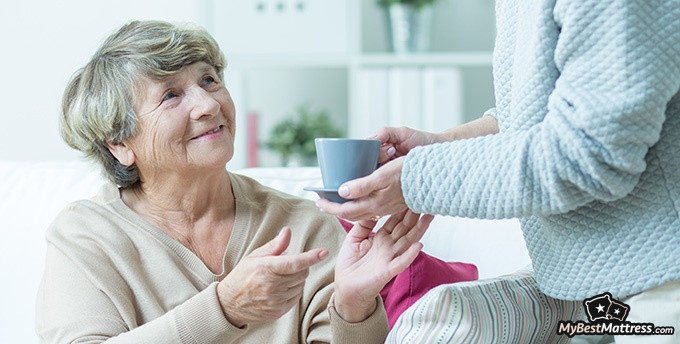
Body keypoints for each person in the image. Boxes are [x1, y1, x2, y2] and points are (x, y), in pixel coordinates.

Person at [35, 20, 434, 343]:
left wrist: (353, 307)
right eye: (171, 95)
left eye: (209, 80)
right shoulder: (85, 236)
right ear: (120, 143)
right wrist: (223, 309)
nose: (209, 105)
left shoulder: (303, 225)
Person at [318, 0, 680, 342]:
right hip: (594, 288)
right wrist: (436, 145)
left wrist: (414, 178)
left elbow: (591, 153)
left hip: (660, 282)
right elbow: (536, 115)